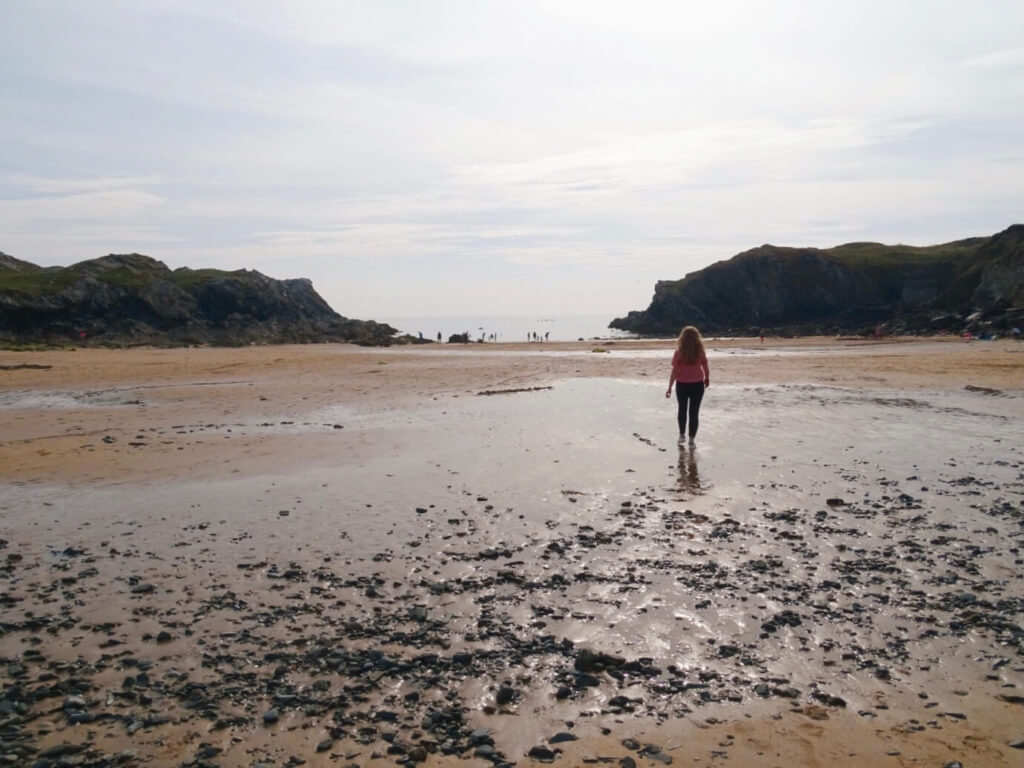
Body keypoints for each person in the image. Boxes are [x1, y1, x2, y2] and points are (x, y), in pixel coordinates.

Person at [665, 325, 710, 447]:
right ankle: (691, 439)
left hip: (682, 385)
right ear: (697, 338)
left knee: (682, 410)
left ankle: (681, 435)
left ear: (682, 338)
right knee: (694, 412)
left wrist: (669, 387)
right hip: (697, 385)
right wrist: (707, 378)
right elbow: (705, 366)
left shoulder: (678, 353)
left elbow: (674, 371)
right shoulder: (700, 352)